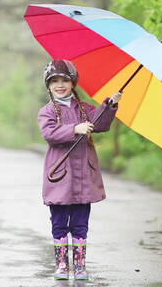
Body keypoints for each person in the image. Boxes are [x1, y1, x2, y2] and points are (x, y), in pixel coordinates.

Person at [37, 59, 121, 280]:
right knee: (59, 222)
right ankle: (62, 265)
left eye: (64, 80)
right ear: (49, 86)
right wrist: (75, 128)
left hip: (83, 175)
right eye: (54, 81)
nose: (60, 85)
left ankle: (80, 265)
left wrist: (109, 105)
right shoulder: (46, 112)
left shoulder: (85, 109)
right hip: (60, 177)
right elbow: (50, 134)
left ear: (73, 83)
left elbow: (100, 123)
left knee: (80, 222)